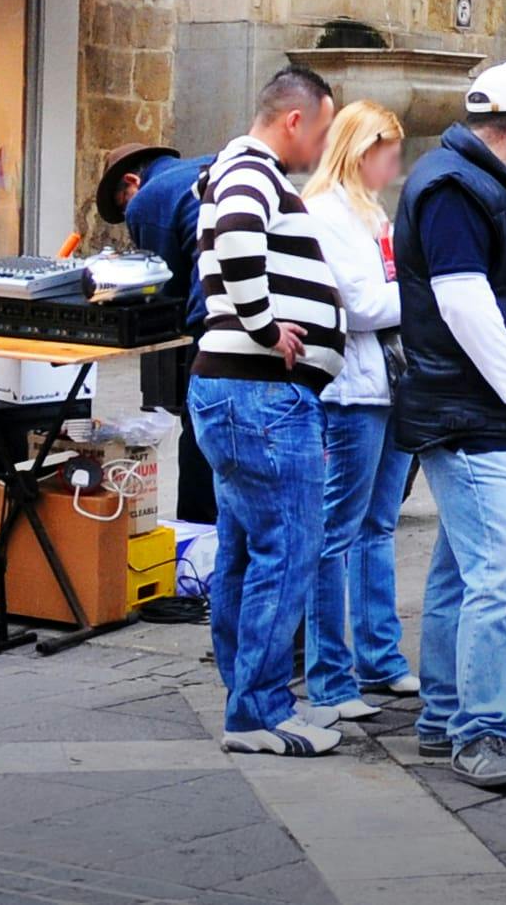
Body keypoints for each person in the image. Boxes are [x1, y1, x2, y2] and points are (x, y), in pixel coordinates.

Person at [394, 59, 506, 793]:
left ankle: (445, 714)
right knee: (503, 573)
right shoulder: (455, 187)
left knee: (463, 569)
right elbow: (463, 303)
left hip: (476, 409)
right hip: (478, 414)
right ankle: (479, 732)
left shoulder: (466, 181)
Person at [188, 70, 349, 754]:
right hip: (260, 394)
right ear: (293, 120)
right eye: (321, 127)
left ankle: (251, 698)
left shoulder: (237, 168)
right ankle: (255, 711)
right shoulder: (251, 170)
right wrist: (265, 326)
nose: (321, 144)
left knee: (249, 552)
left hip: (242, 394)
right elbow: (236, 235)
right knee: (288, 550)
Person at [301, 98, 412, 719]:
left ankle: (380, 657)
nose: (394, 166)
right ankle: (331, 676)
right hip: (352, 388)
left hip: (386, 383)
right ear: (362, 150)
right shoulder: (327, 214)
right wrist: (421, 292)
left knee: (378, 526)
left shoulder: (369, 212)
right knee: (337, 533)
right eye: (388, 153)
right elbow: (362, 307)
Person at [98, 141, 218, 526]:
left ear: (133, 181)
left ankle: (198, 528)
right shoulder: (208, 163)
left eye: (123, 207)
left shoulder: (149, 197)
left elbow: (168, 289)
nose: (130, 218)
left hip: (217, 319)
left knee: (199, 424)